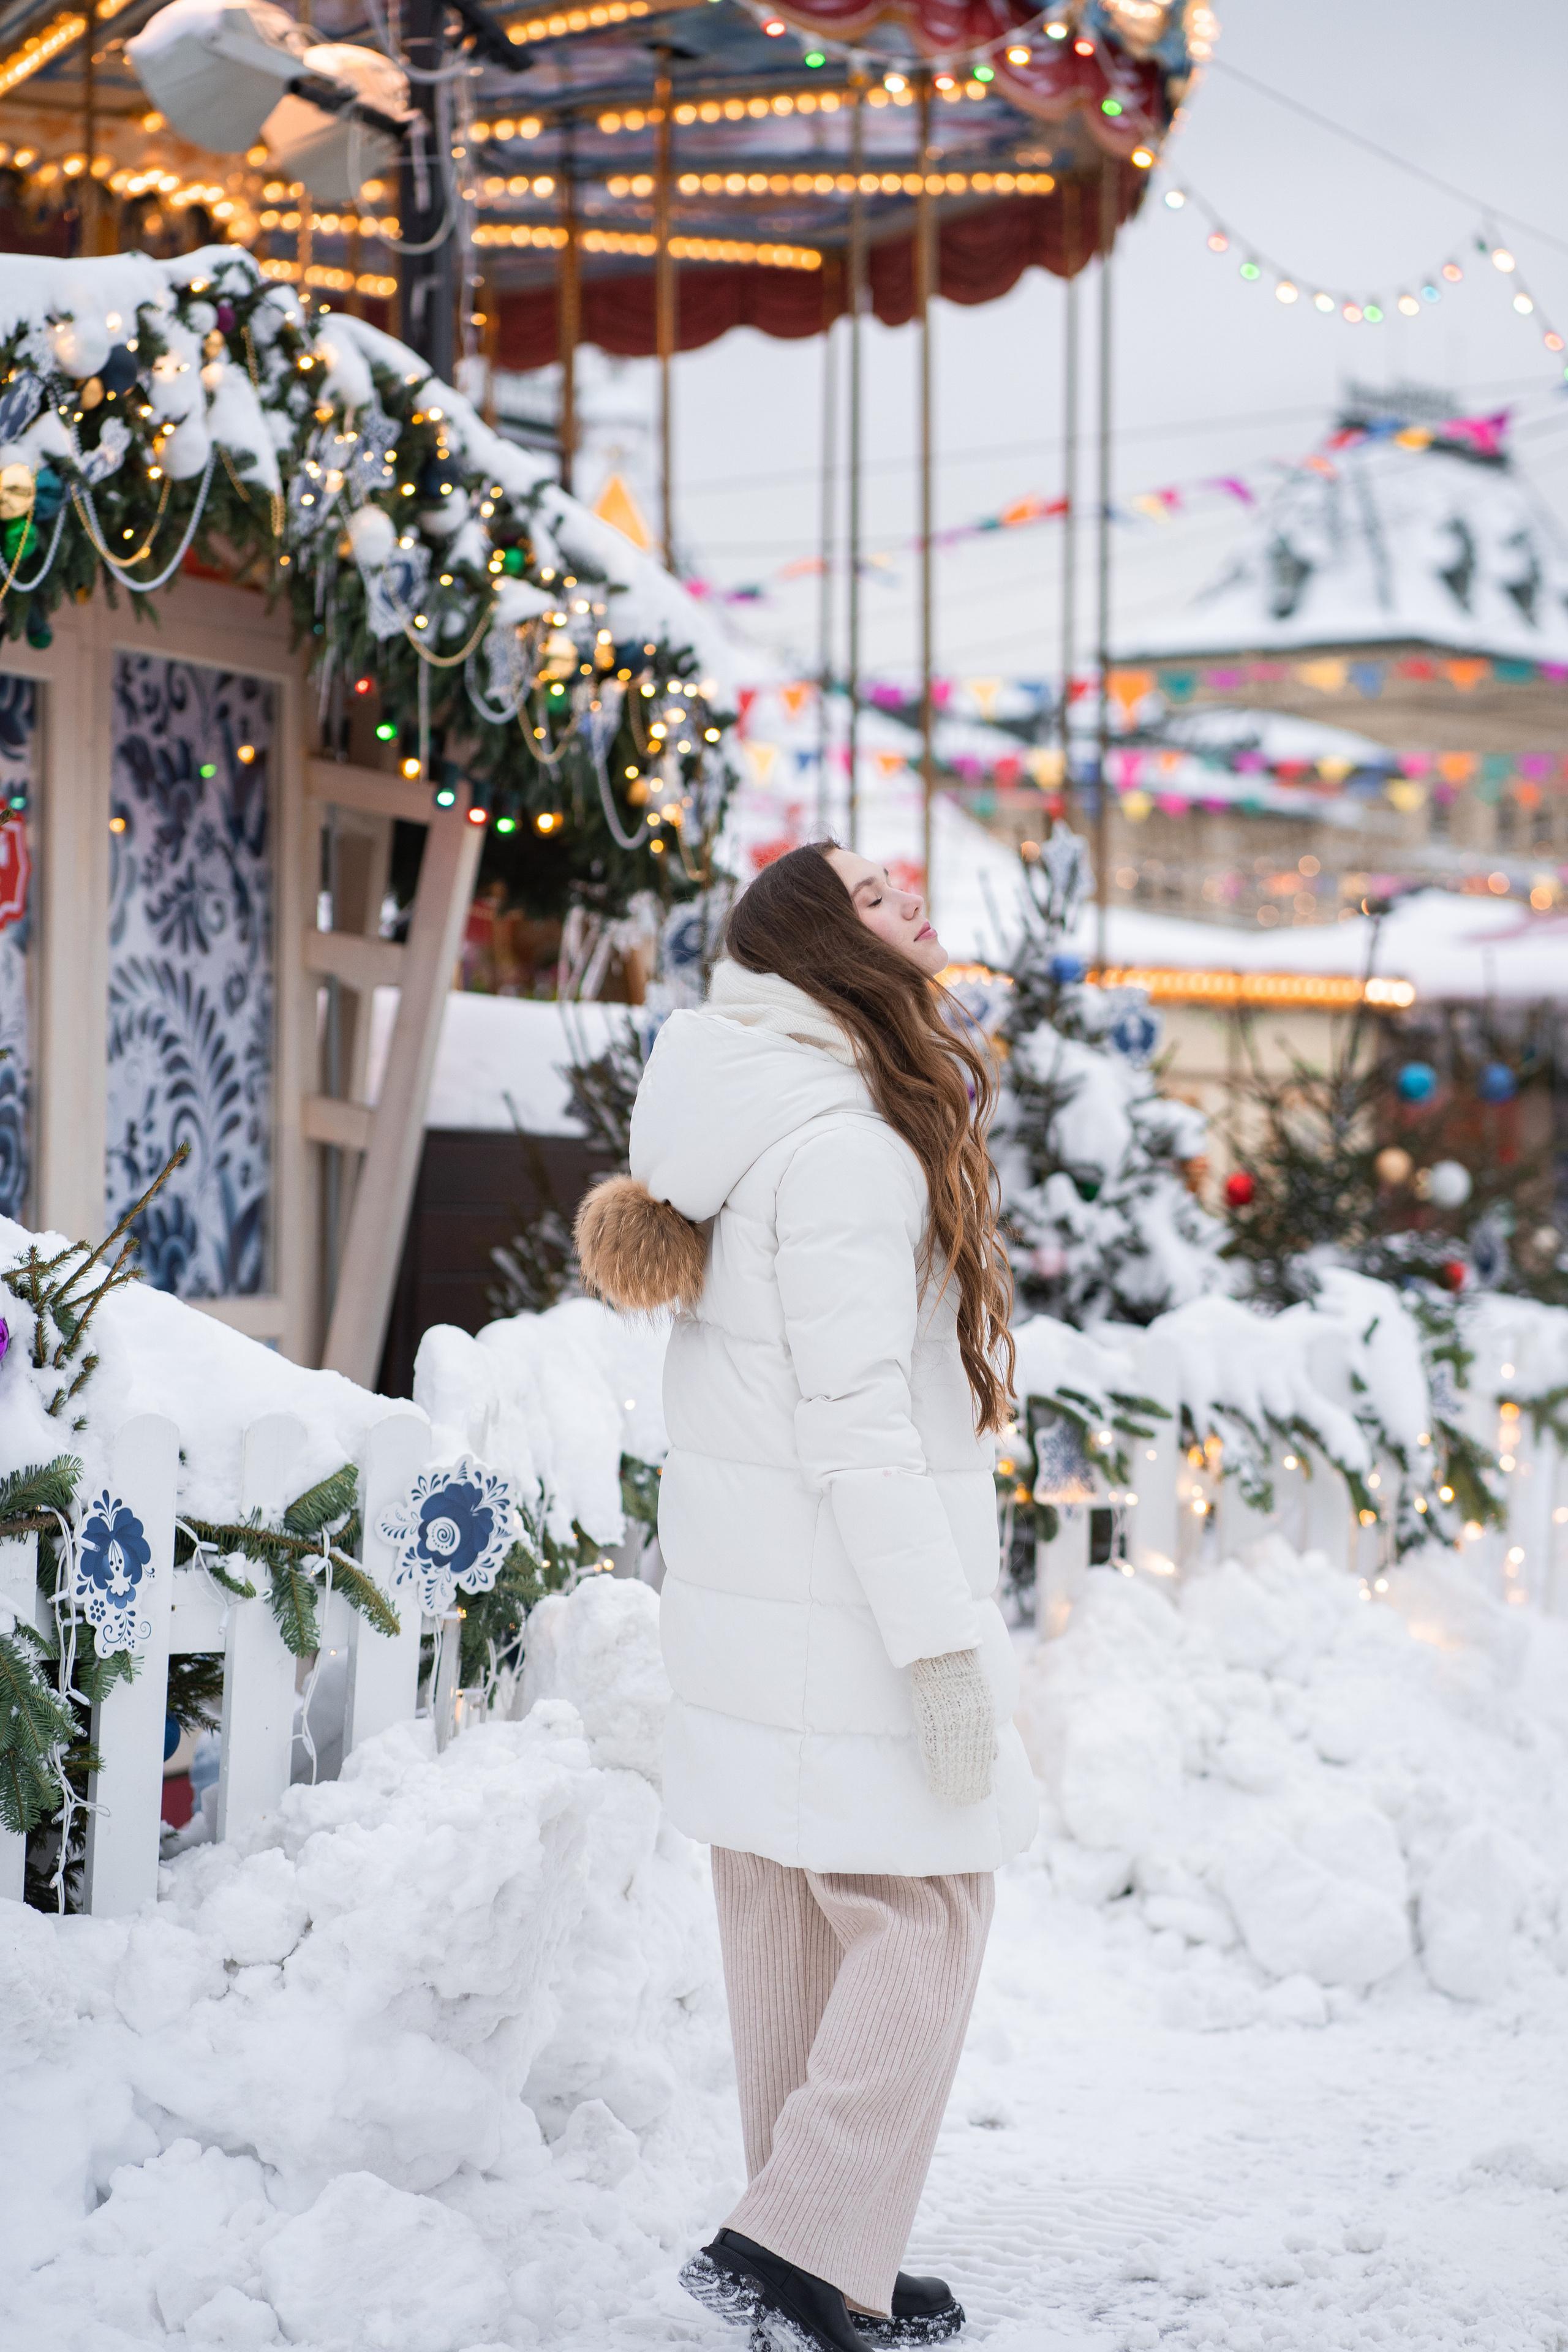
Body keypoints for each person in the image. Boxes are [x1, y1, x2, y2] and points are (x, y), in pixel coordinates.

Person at [575, 843, 1038, 2352]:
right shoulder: (841, 1146)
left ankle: (823, 2250)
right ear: (815, 948)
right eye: (866, 890)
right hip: (844, 1612)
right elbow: (855, 1425)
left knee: (788, 1913)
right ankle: (783, 2243)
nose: (905, 888)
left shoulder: (753, 1115)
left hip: (762, 1602)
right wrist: (941, 1648)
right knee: (926, 1914)